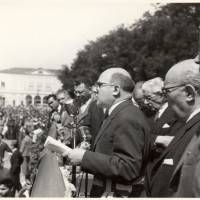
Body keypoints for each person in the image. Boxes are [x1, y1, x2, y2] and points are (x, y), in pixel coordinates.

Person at [63, 68, 150, 197]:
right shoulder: (118, 113)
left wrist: (85, 157)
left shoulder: (127, 116)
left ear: (115, 89)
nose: (95, 89)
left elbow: (128, 167)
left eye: (100, 85)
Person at [146, 58, 200, 197]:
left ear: (189, 93)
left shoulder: (196, 131)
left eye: (166, 91)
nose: (164, 98)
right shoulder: (190, 126)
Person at [73, 77, 104, 148]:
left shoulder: (97, 105)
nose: (77, 95)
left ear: (89, 90)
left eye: (80, 92)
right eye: (75, 92)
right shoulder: (74, 105)